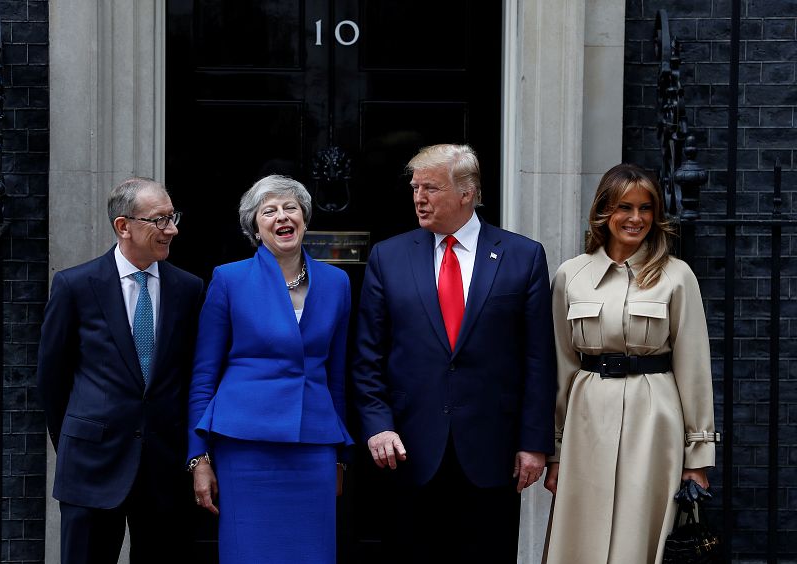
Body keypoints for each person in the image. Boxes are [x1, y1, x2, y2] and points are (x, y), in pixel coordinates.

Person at [353, 144, 557, 563]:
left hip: (493, 454)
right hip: (407, 451)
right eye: (415, 187)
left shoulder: (523, 256)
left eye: (431, 187)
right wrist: (377, 425)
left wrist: (535, 444)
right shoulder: (388, 257)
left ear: (468, 192)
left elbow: (538, 359)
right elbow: (367, 356)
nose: (419, 197)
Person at [543, 163, 719, 564]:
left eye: (645, 209)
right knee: (581, 533)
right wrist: (553, 451)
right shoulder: (571, 275)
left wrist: (697, 458)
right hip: (586, 419)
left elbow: (694, 368)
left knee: (641, 532)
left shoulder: (677, 276)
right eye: (625, 207)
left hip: (654, 418)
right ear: (604, 212)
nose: (635, 218)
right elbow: (560, 366)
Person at [37, 177, 204, 564]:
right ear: (123, 226)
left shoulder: (189, 289)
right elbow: (51, 380)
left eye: (172, 217)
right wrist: (79, 441)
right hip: (91, 467)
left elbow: (194, 374)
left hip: (163, 468)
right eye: (160, 220)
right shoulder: (75, 285)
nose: (172, 229)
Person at [188, 174, 354, 563]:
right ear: (256, 227)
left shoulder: (336, 282)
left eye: (291, 208)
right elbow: (203, 376)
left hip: (313, 445)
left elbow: (337, 375)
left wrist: (341, 456)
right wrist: (199, 458)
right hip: (244, 445)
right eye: (270, 211)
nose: (283, 216)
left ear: (305, 219)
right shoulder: (229, 279)